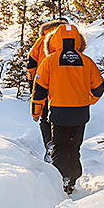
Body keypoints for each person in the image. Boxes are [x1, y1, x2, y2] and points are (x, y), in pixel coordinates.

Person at [30, 23, 104, 194]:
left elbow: (39, 89)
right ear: (78, 41)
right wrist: (88, 100)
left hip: (59, 112)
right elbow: (99, 88)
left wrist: (36, 111)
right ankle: (74, 177)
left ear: (54, 41)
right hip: (80, 113)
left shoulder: (49, 61)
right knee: (74, 147)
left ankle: (63, 179)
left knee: (60, 147)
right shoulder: (87, 61)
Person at [26, 18, 70, 162]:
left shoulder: (40, 41)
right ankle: (63, 147)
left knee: (44, 117)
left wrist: (31, 84)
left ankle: (50, 144)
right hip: (62, 85)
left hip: (42, 83)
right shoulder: (67, 42)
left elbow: (31, 63)